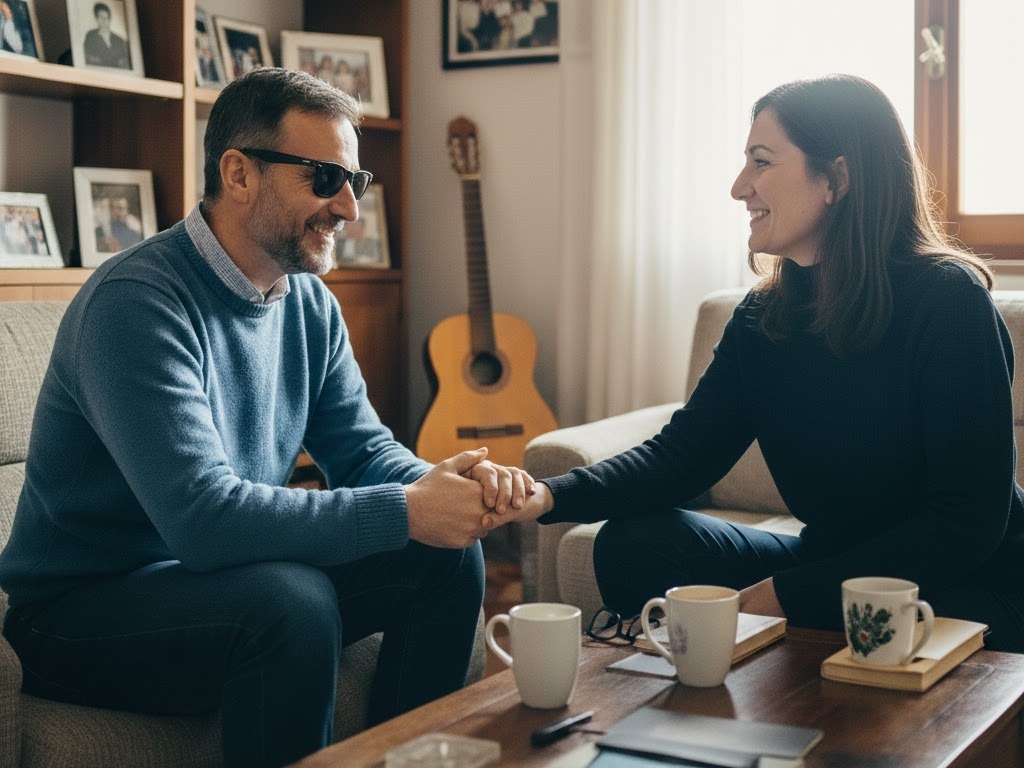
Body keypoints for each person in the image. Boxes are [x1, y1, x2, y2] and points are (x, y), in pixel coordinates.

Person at [0, 67, 533, 768]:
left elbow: (365, 450)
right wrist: (408, 509)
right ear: (238, 173)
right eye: (323, 178)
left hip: (206, 582)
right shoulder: (137, 304)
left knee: (445, 552)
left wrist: (449, 485)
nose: (348, 208)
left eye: (355, 183)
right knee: (291, 600)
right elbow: (204, 520)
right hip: (81, 612)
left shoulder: (307, 303)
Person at [483, 74, 1024, 652]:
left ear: (836, 177)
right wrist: (546, 496)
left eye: (761, 162)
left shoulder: (948, 302)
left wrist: (785, 597)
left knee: (828, 615)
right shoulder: (762, 319)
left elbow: (964, 522)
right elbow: (683, 456)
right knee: (632, 543)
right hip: (829, 562)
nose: (739, 187)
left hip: (964, 584)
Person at [82, 2, 130, 69]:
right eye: (101, 17)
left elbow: (124, 62)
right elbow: (87, 57)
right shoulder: (90, 36)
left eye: (106, 17)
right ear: (97, 19)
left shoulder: (119, 40)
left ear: (109, 19)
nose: (104, 20)